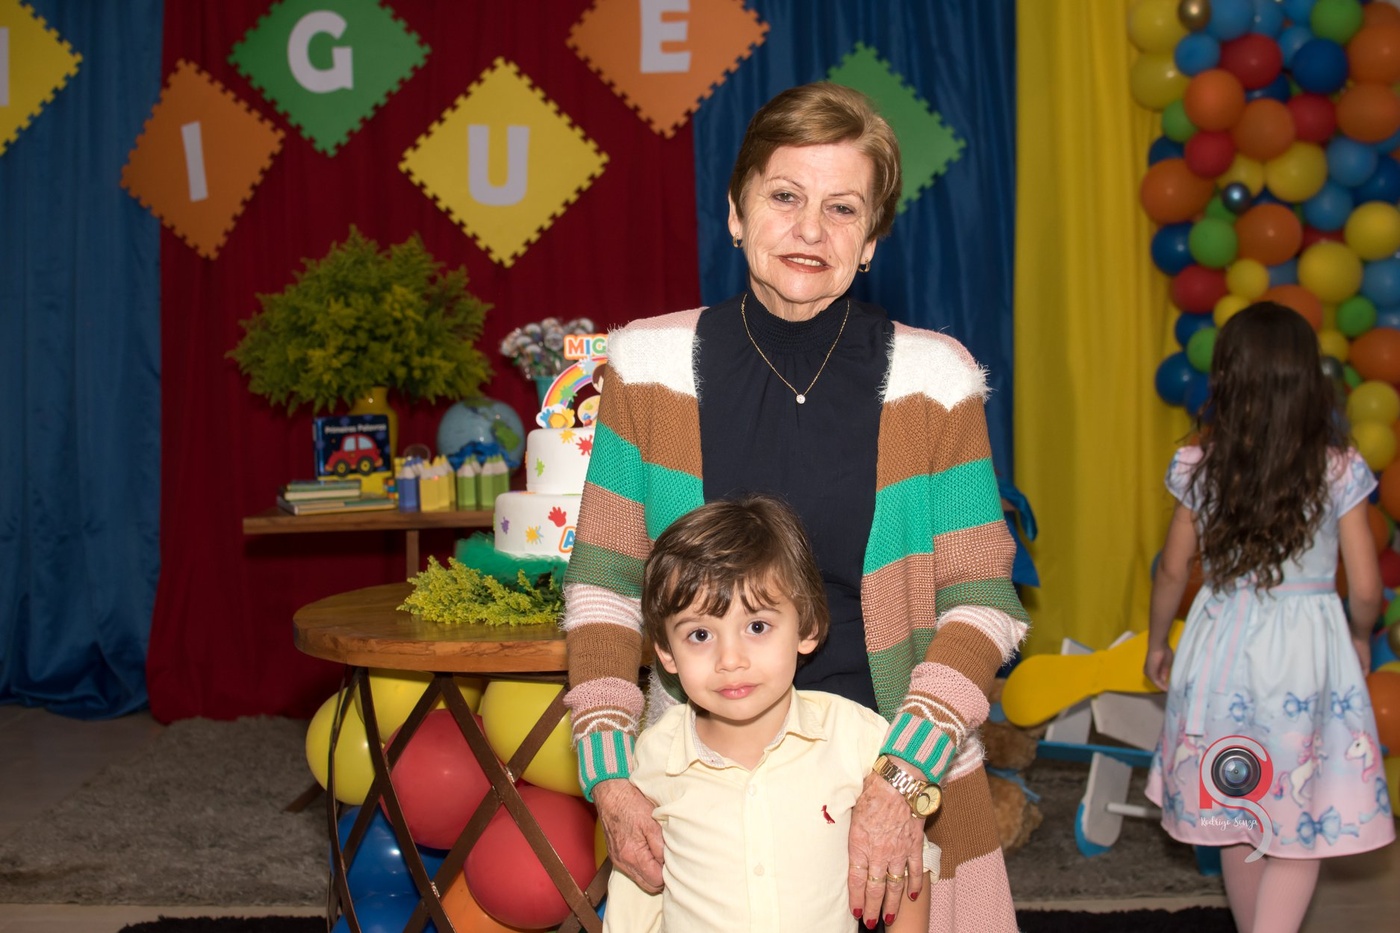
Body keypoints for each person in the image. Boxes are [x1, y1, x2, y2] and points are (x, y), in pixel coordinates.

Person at [562, 81, 1028, 932]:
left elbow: (983, 600)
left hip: (894, 763)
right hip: (701, 780)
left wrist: (902, 779)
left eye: (842, 207)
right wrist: (610, 775)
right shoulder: (646, 365)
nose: (811, 229)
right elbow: (605, 586)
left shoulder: (936, 379)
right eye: (785, 196)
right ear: (737, 211)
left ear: (872, 237)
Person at [1143, 301, 1396, 933]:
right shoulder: (1337, 468)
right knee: (1295, 822)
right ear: (1309, 380)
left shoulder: (1201, 466)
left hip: (1219, 650)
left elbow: (1172, 570)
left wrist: (1158, 643)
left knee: (1238, 809)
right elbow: (1367, 586)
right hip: (1305, 657)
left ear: (1226, 380)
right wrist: (1359, 635)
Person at [600, 494, 938, 932]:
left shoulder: (856, 735)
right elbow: (635, 901)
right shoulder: (654, 755)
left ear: (807, 627)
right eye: (700, 635)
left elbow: (907, 862)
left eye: (757, 626)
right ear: (666, 651)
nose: (730, 659)